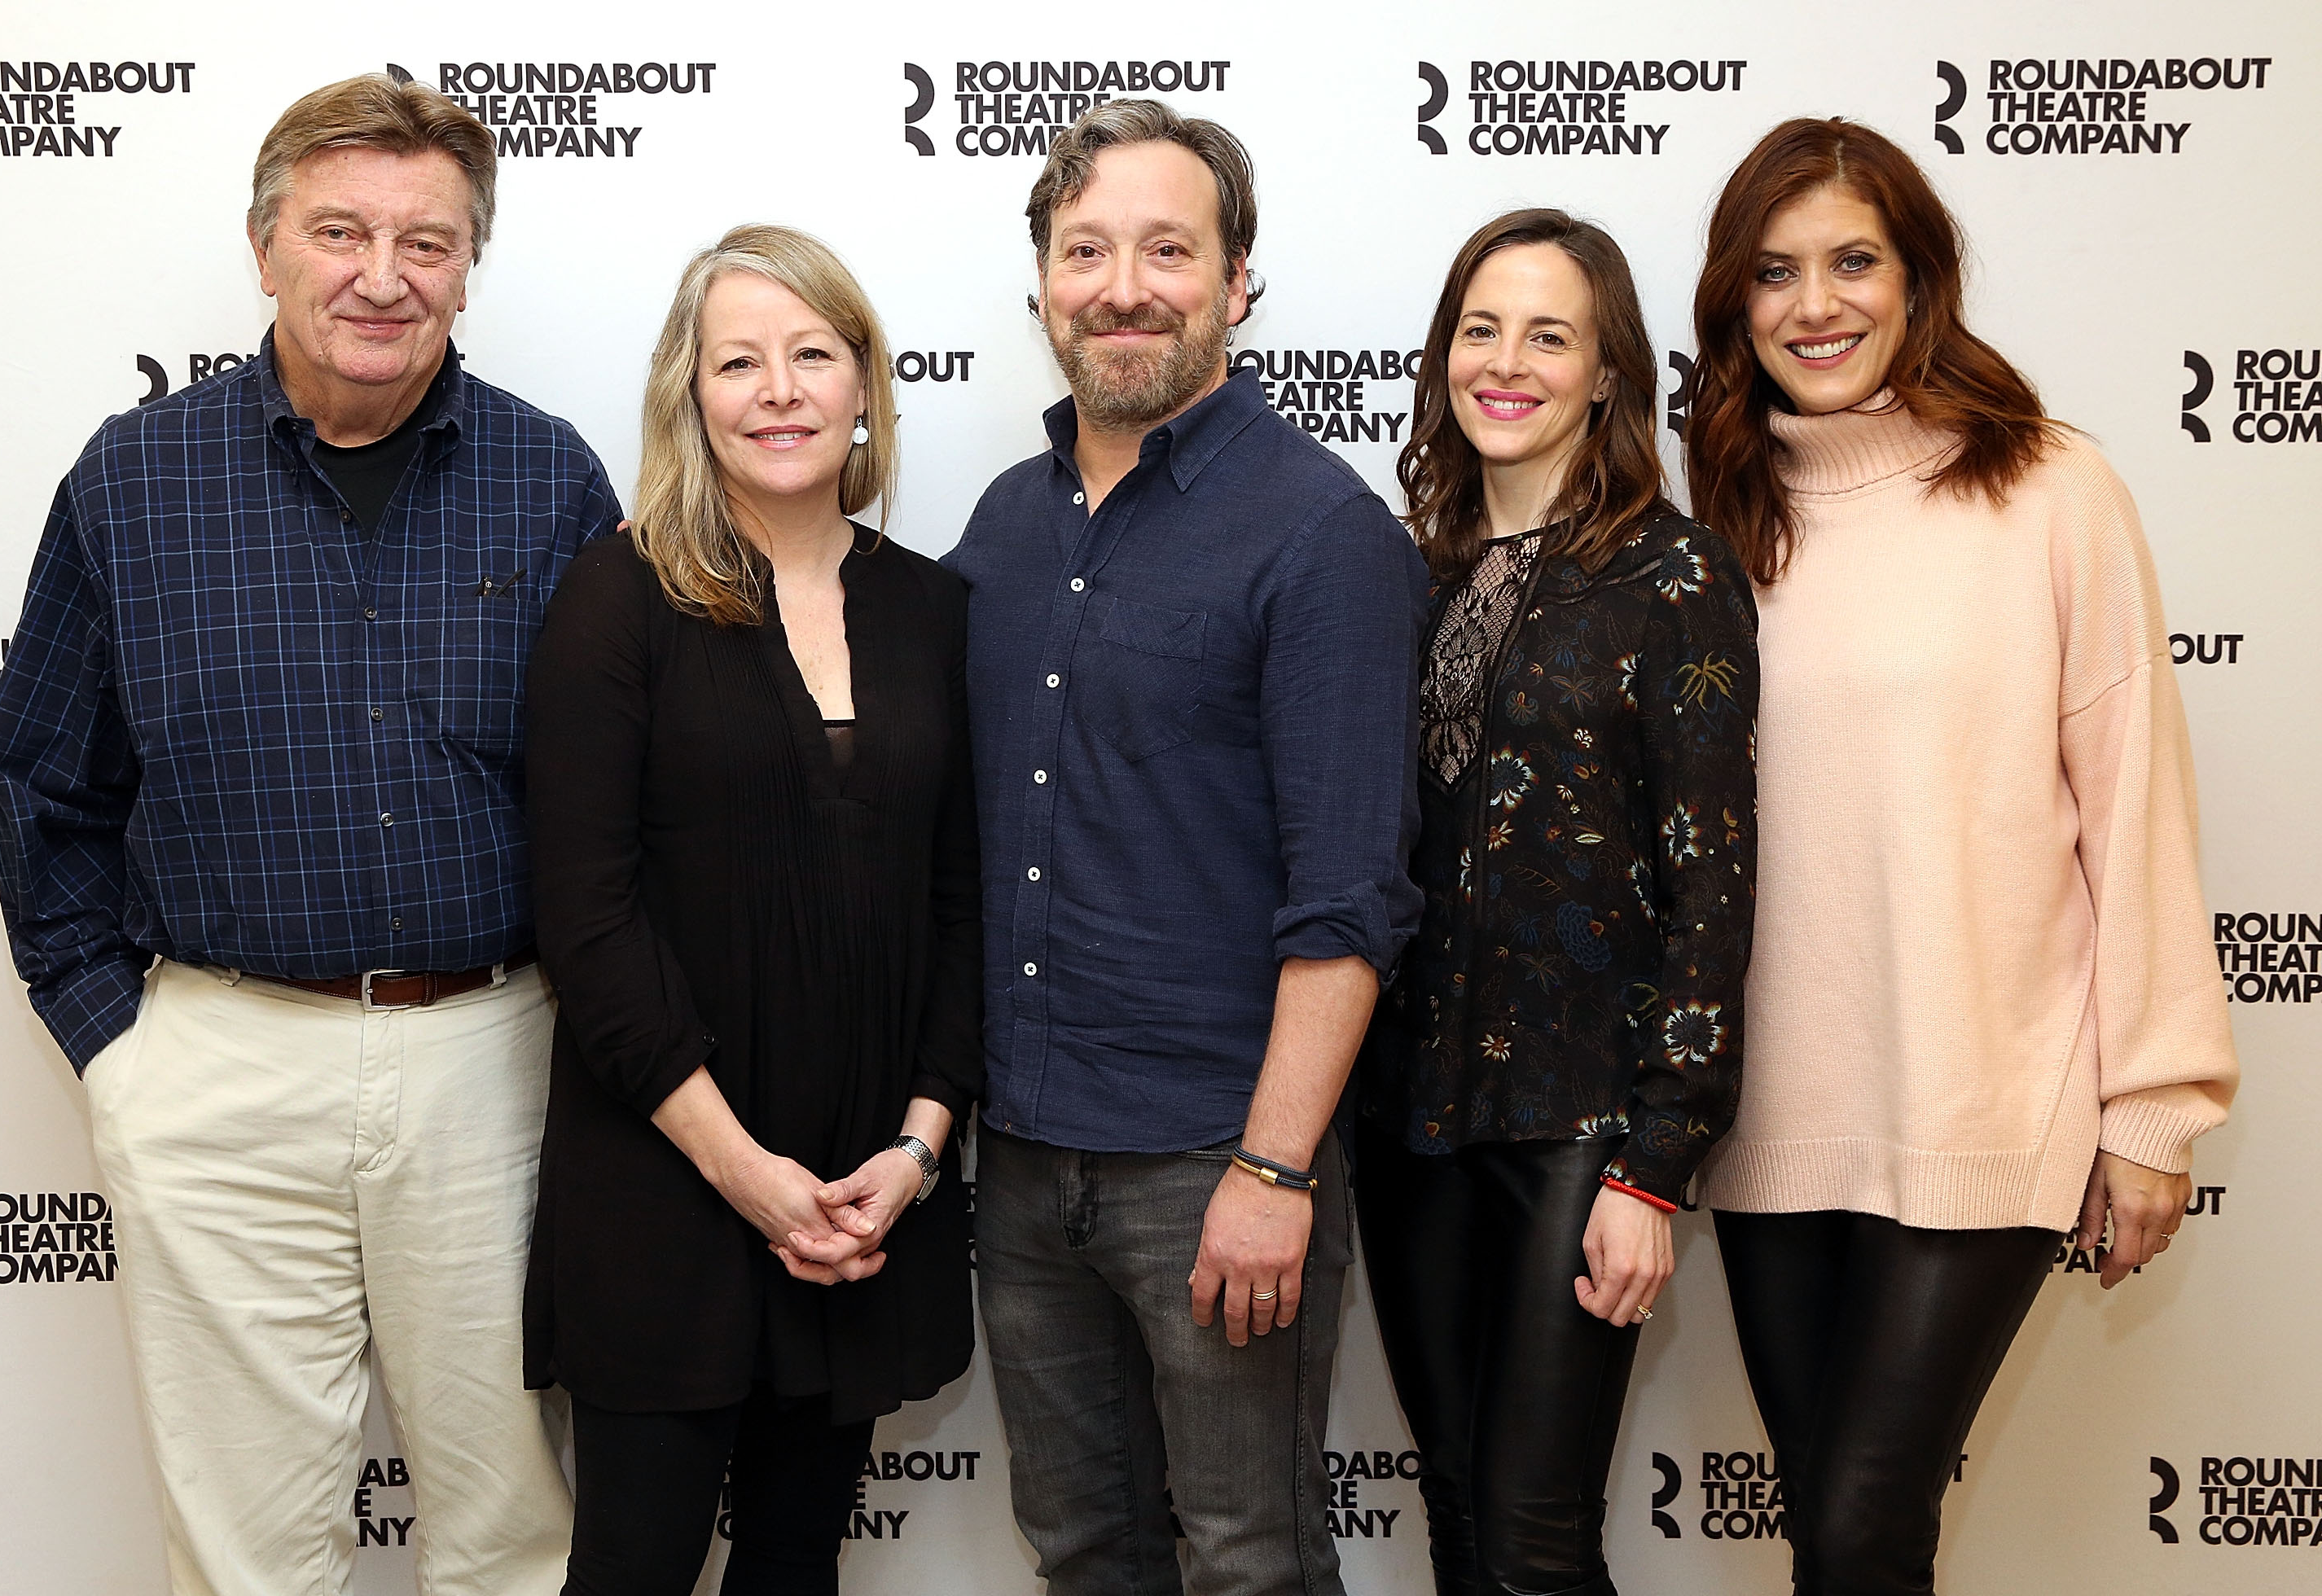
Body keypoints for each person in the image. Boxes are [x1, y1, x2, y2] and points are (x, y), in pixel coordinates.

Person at [0, 74, 617, 1595]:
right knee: (247, 1550)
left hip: (496, 1067)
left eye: (429, 240)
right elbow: (46, 781)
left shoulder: (552, 480)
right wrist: (121, 1052)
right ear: (265, 247)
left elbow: (622, 803)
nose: (383, 276)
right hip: (218, 1069)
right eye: (340, 231)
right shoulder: (132, 480)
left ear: (472, 266)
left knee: (517, 1532)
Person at [1684, 118, 2240, 1595]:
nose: (1817, 305)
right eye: (1776, 271)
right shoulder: (1721, 525)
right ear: (1733, 305)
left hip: (1991, 1097)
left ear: (1920, 274)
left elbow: (2135, 807)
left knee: (1864, 1527)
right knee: (1842, 1536)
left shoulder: (2052, 489)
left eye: (1853, 261)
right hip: (1773, 1117)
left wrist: (2157, 1108)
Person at [943, 99, 1425, 1596]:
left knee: (1249, 1560)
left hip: (1213, 1163)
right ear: (1041, 285)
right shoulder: (1004, 527)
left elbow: (1350, 903)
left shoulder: (1322, 537)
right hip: (1022, 1158)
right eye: (1087, 249)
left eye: (1168, 248)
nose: (1124, 285)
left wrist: (1274, 1169)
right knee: (1084, 1550)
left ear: (1236, 285)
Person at [522, 224, 979, 1596]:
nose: (778, 389)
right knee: (633, 1571)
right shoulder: (619, 599)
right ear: (691, 393)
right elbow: (586, 917)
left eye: (812, 354)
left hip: (859, 1202)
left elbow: (963, 904)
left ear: (862, 390)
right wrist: (744, 1175)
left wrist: (912, 1152)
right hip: (668, 1190)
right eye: (739, 361)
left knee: (796, 1572)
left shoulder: (937, 611)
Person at [1356, 209, 1758, 1596]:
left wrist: (1658, 1163)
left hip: (1584, 1125)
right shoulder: (1413, 572)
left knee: (1535, 1541)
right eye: (1481, 329)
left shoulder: (1676, 575)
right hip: (1412, 1121)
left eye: (1549, 334)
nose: (1506, 363)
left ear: (1607, 372)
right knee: (1461, 1522)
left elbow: (1715, 881)